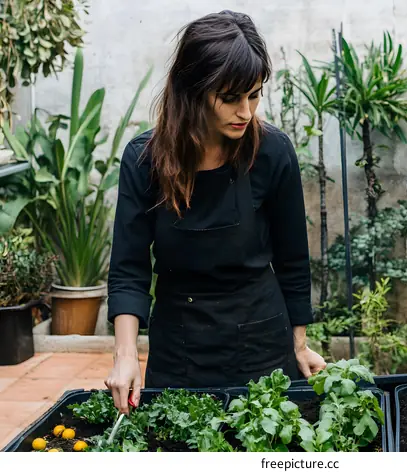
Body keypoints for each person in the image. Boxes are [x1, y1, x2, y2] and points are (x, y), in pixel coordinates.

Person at [104, 10, 326, 414]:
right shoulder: (144, 160)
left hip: (263, 342)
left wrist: (299, 345)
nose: (246, 111)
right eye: (231, 98)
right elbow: (128, 269)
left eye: (255, 94)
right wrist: (125, 356)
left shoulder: (273, 153)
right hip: (179, 347)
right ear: (193, 89)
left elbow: (293, 260)